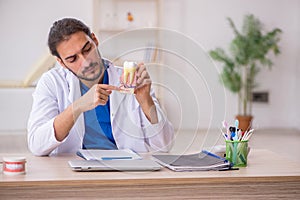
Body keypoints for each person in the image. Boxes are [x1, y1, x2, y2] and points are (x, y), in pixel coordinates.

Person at [27, 18, 174, 156]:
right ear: (61, 62)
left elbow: (165, 145)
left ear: (95, 40)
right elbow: (36, 144)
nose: (86, 62)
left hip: (126, 170)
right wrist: (77, 106)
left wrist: (145, 100)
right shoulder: (51, 82)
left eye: (87, 49)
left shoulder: (131, 80)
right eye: (72, 59)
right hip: (75, 172)